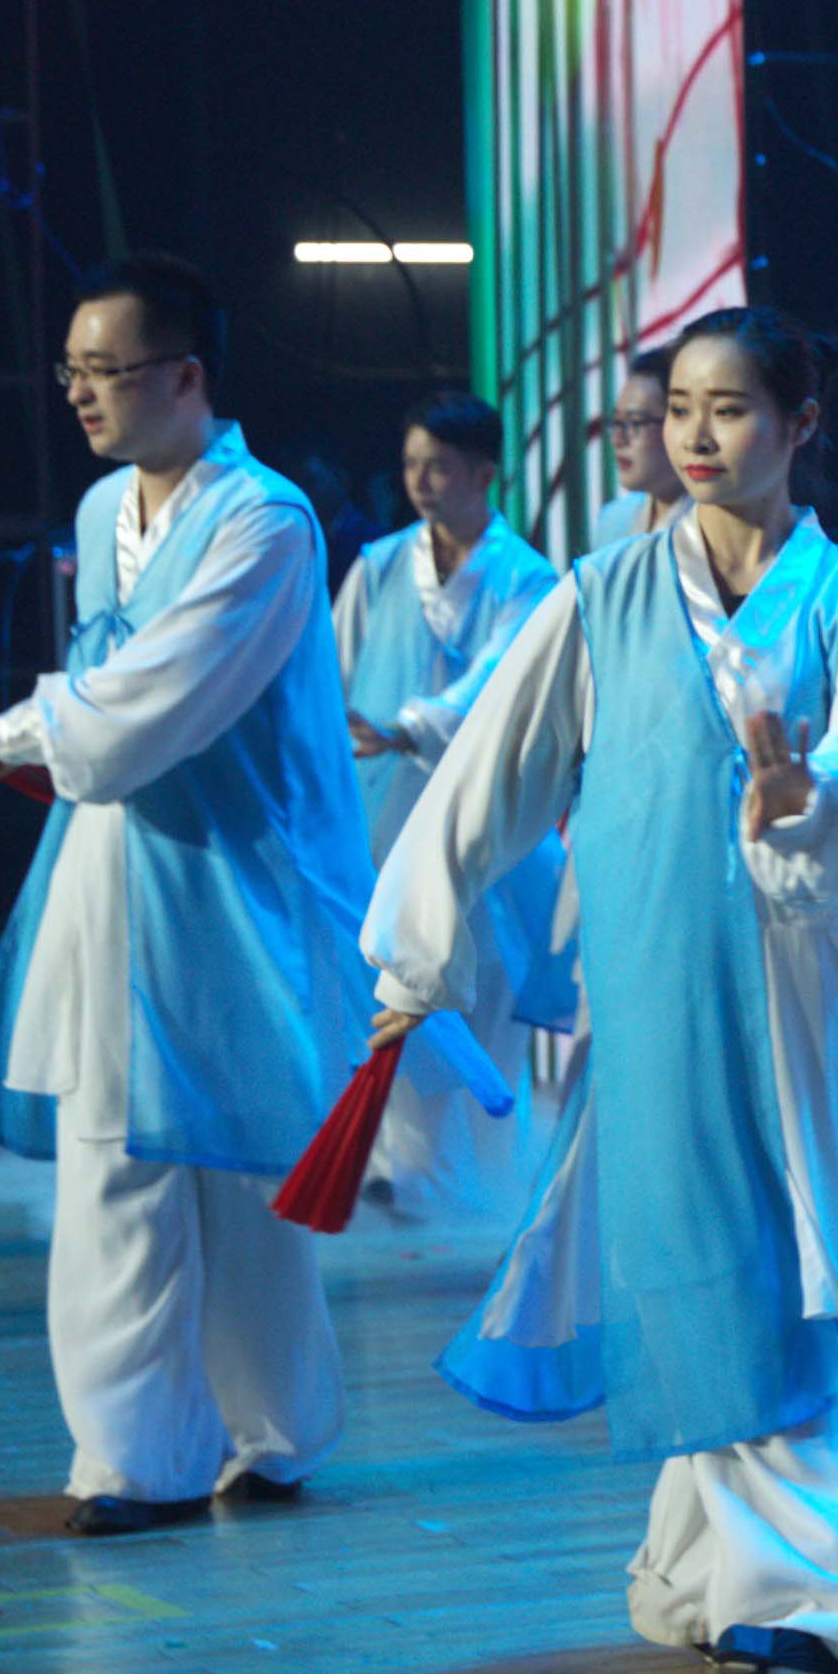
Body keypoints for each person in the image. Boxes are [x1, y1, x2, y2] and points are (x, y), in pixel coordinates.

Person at [360, 312, 838, 1674]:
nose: (694, 433)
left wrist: (804, 799)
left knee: (778, 1263)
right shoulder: (603, 593)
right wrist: (414, 959)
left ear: (801, 424)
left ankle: (828, 1594)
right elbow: (489, 780)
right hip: (649, 975)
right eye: (678, 406)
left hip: (808, 988)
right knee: (691, 1250)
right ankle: (709, 1565)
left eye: (730, 408)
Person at [0, 258, 372, 1536]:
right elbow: (115, 693)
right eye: (71, 371)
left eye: (106, 371)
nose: (81, 394)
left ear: (187, 376)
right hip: (115, 870)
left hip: (236, 876)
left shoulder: (265, 521)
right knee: (115, 1165)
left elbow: (158, 694)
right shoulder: (101, 511)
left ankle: (274, 1427)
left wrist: (17, 731)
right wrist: (45, 734)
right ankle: (135, 1457)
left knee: (242, 1167)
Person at [336, 392, 564, 1224]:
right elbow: (335, 667)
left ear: (484, 472)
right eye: (411, 466)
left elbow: (501, 683)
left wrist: (408, 726)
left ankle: (484, 1186)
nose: (421, 482)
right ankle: (402, 1175)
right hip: (381, 818)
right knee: (388, 990)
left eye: (438, 466)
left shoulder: (526, 577)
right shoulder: (378, 567)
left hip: (480, 822)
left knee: (483, 989)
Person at [587, 342, 677, 552]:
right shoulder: (613, 520)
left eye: (635, 422)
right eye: (616, 422)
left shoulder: (712, 526)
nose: (618, 439)